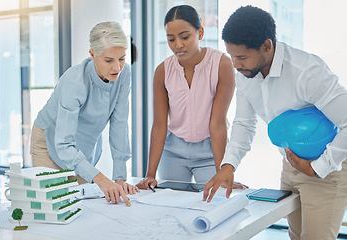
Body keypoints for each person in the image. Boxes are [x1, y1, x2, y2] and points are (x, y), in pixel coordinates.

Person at [203, 5, 347, 240]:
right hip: (290, 166)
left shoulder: (307, 71)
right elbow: (244, 123)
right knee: (296, 236)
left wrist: (318, 167)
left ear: (267, 46)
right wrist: (228, 166)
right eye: (231, 56)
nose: (235, 65)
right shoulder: (246, 76)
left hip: (328, 171)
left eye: (241, 57)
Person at [136, 5, 247, 190]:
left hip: (211, 151)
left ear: (200, 32)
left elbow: (217, 124)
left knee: (214, 202)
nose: (178, 45)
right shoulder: (162, 71)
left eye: (185, 37)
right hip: (173, 153)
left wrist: (223, 173)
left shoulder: (222, 64)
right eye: (171, 39)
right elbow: (159, 125)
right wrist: (150, 175)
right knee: (172, 209)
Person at [30, 21, 139, 207]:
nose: (117, 68)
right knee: (55, 207)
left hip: (84, 145)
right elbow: (63, 144)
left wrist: (119, 177)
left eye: (121, 58)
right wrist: (101, 178)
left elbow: (120, 124)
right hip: (49, 141)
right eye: (108, 60)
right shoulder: (75, 81)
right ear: (92, 54)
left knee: (81, 208)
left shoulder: (124, 74)